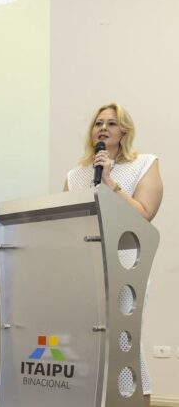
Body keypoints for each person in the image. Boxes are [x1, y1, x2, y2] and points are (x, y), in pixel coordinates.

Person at [65, 102, 163, 405]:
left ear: (124, 131)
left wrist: (109, 181)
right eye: (98, 123)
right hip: (87, 267)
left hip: (126, 267)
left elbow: (144, 215)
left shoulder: (144, 163)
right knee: (88, 345)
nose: (103, 128)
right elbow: (69, 224)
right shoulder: (76, 174)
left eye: (111, 123)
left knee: (123, 342)